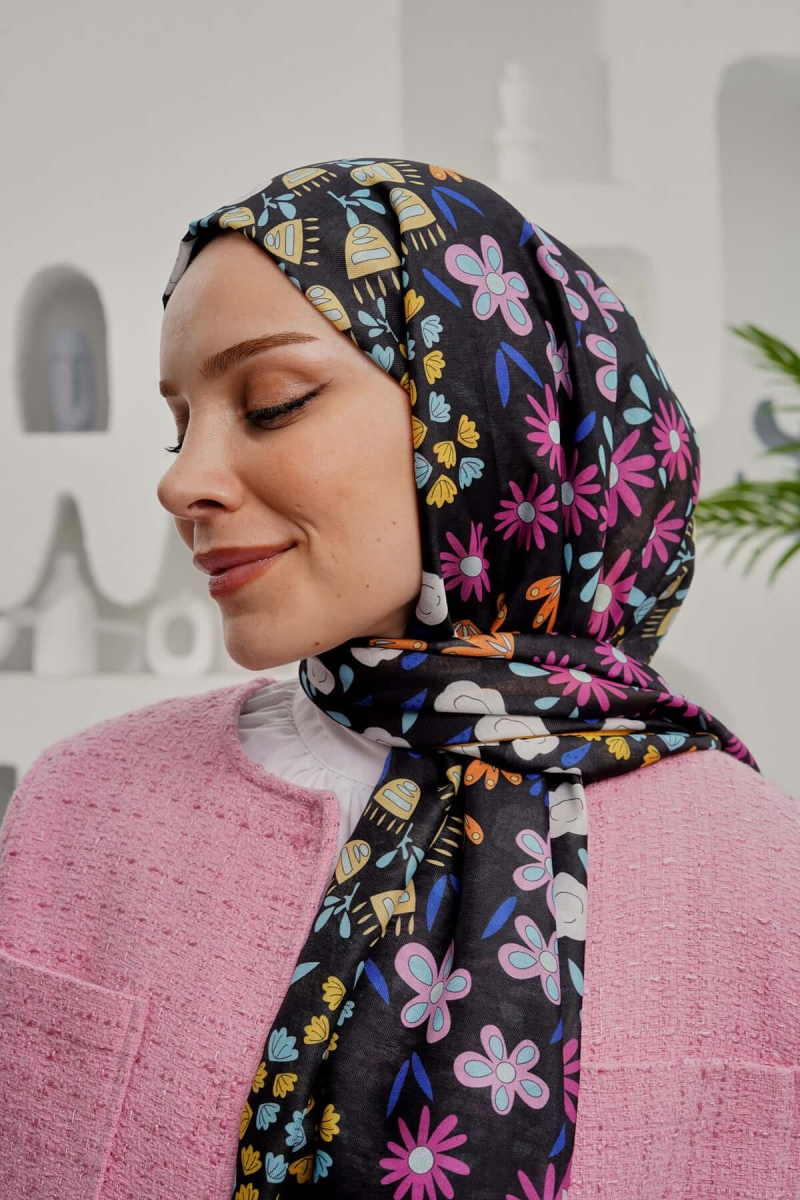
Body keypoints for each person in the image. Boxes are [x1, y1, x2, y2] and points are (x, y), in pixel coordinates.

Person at [0, 155, 798, 1200]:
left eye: (272, 402)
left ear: (489, 414)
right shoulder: (78, 808)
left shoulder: (763, 879)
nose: (181, 479)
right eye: (178, 423)